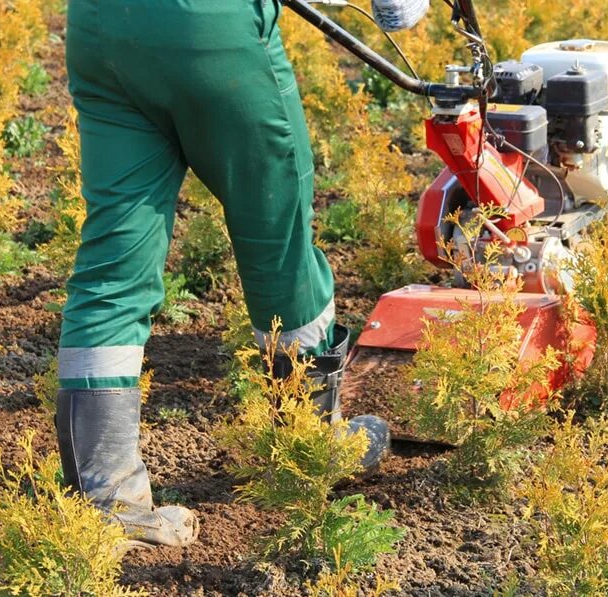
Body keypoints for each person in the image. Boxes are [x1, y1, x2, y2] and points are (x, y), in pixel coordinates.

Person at [54, 0, 425, 548]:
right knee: (277, 234)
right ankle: (309, 441)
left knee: (114, 261)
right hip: (208, 29)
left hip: (102, 29)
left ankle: (106, 497)